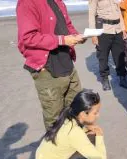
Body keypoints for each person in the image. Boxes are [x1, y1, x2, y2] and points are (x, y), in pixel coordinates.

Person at [16, 0, 86, 129]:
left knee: (76, 110)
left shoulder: (58, 2)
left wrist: (77, 36)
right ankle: (57, 148)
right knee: (55, 120)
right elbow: (28, 38)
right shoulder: (27, 2)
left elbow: (67, 26)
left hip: (67, 64)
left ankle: (74, 143)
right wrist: (62, 40)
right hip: (47, 69)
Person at [36, 90, 107, 159]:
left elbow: (73, 134)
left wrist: (86, 128)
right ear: (83, 113)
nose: (98, 115)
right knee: (93, 154)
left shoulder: (68, 116)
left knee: (89, 141)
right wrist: (100, 136)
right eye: (96, 112)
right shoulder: (74, 132)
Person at [89, 0, 127, 91]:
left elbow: (119, 12)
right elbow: (91, 15)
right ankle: (104, 78)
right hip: (103, 30)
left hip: (117, 29)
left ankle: (122, 77)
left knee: (120, 55)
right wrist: (93, 34)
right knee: (103, 56)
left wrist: (123, 28)